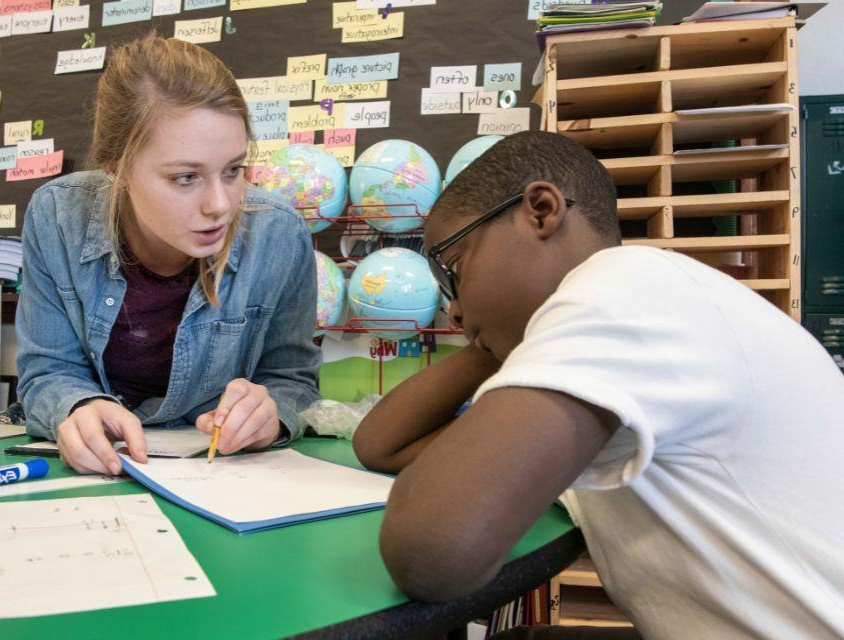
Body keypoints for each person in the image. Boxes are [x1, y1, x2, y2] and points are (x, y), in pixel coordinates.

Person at [353, 130, 844, 639]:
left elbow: (433, 554)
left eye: (455, 269)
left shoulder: (627, 289)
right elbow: (383, 445)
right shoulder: (619, 342)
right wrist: (490, 348)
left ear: (540, 211)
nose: (452, 307)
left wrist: (498, 335)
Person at [16, 34, 321, 475]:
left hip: (223, 477)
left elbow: (293, 380)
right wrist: (76, 406)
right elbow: (46, 369)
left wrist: (270, 416)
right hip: (92, 475)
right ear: (115, 168)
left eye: (233, 170)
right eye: (185, 177)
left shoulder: (280, 235)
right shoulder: (57, 216)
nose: (220, 204)